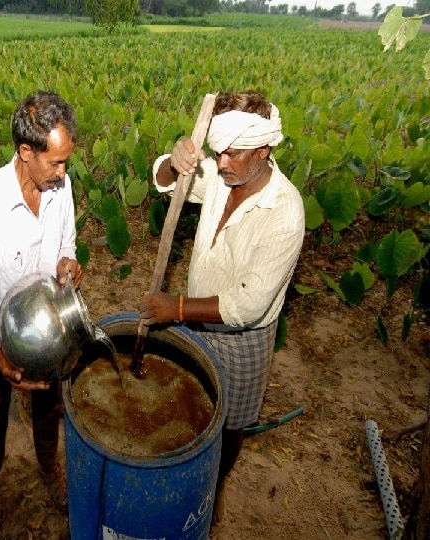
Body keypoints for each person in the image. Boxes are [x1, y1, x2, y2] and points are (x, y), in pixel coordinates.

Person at [139, 90, 305, 523]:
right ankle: (184, 471)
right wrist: (173, 161)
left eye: (234, 154)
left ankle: (215, 484)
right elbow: (161, 180)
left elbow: (245, 306)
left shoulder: (284, 211)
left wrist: (175, 308)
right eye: (218, 153)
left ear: (264, 150)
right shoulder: (220, 174)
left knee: (230, 423)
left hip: (243, 337)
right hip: (194, 318)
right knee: (188, 402)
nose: (223, 162)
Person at [0, 91, 83, 528]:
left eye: (66, 162)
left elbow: (67, 244)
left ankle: (49, 468)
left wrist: (67, 264)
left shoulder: (60, 189)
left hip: (45, 330)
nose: (63, 174)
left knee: (49, 408)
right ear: (26, 152)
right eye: (55, 163)